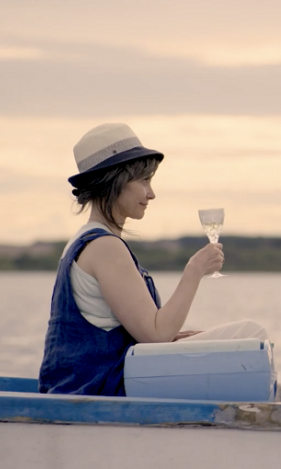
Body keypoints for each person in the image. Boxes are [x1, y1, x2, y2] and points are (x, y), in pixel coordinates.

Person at [39, 123, 268, 396]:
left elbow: (142, 332)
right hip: (104, 386)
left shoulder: (83, 240)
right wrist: (194, 270)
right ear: (114, 181)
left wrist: (176, 338)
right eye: (144, 181)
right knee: (251, 334)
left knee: (237, 341)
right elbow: (156, 335)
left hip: (82, 383)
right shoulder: (105, 247)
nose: (151, 193)